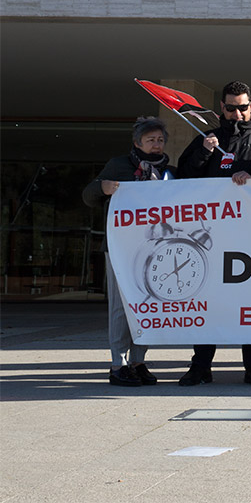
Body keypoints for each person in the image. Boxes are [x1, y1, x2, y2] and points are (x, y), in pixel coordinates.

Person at [176, 81, 251, 387]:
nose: (236, 113)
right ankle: (201, 365)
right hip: (210, 236)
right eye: (230, 107)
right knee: (208, 300)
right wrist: (202, 152)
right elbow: (182, 179)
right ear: (221, 108)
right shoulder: (206, 139)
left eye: (242, 107)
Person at [83, 116, 175, 387]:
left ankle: (138, 361)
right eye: (151, 140)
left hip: (154, 249)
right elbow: (88, 195)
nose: (156, 145)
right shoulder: (119, 165)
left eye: (160, 140)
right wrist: (103, 187)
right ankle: (118, 364)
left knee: (148, 305)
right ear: (137, 143)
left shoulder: (170, 172)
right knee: (121, 308)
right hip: (121, 249)